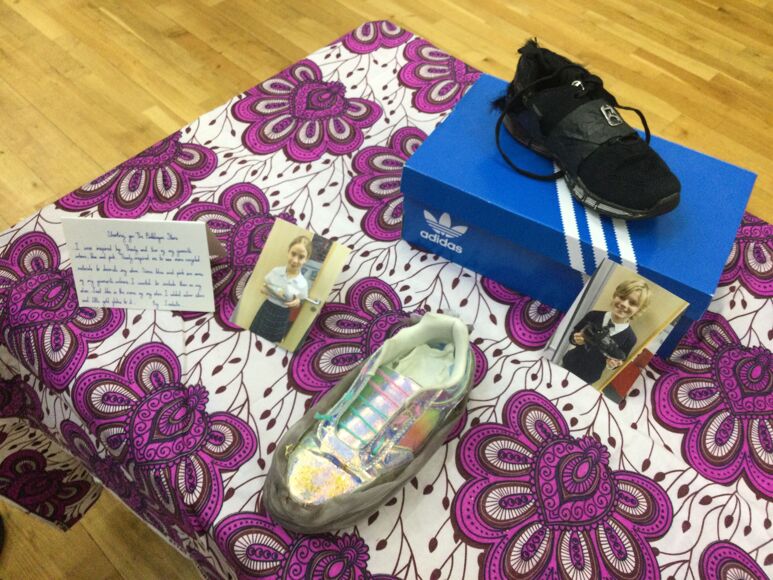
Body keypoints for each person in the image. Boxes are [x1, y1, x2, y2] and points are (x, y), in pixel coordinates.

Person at [562, 279, 651, 385]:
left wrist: (612, 364)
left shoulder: (630, 338)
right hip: (568, 363)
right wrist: (576, 340)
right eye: (622, 297)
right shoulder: (593, 315)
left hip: (589, 377)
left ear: (639, 310)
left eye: (632, 303)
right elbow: (572, 335)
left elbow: (620, 360)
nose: (624, 304)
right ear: (615, 295)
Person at [249, 236, 311, 343]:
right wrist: (265, 290)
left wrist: (297, 302)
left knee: (270, 342)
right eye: (293, 254)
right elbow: (263, 287)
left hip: (283, 314)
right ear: (288, 251)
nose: (295, 260)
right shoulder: (275, 271)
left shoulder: (303, 283)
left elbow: (298, 302)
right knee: (255, 335)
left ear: (306, 259)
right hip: (267, 308)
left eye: (301, 257)